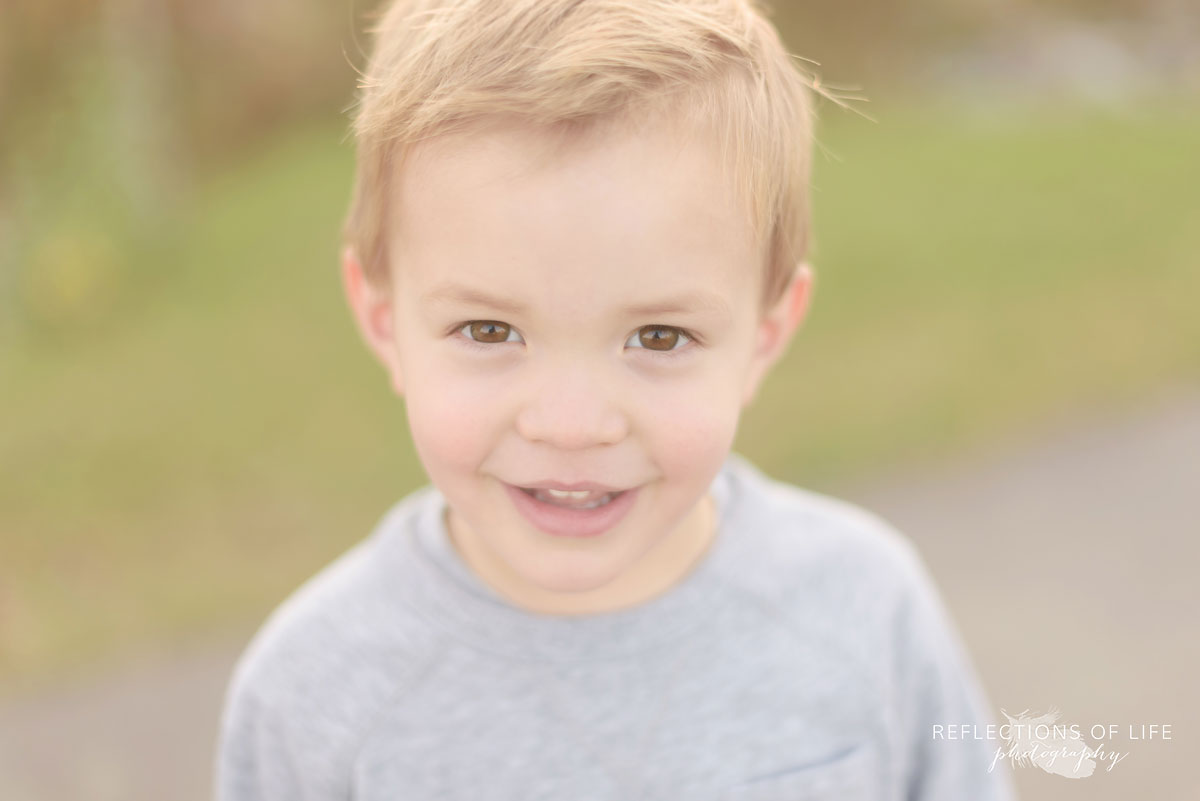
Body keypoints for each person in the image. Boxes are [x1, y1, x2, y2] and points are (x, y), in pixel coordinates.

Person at [214, 1, 1017, 799]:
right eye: (489, 330)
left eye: (659, 338)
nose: (572, 426)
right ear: (384, 320)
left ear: (765, 337)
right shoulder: (314, 693)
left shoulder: (862, 611)